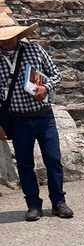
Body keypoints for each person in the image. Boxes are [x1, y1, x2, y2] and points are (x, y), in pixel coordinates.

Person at [0, 13, 73, 221]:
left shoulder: (35, 50)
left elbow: (57, 75)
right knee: (24, 164)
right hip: (18, 119)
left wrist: (45, 87)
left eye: (10, 35)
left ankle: (59, 202)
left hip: (44, 117)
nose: (6, 39)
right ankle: (33, 205)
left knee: (53, 160)